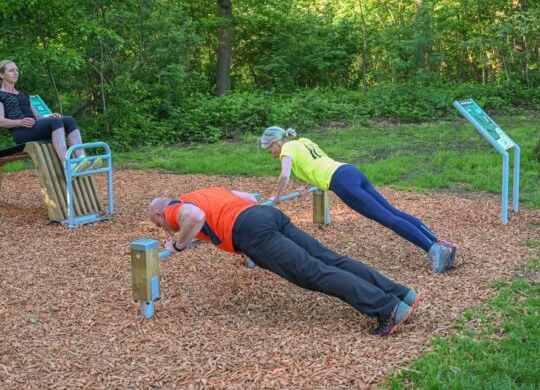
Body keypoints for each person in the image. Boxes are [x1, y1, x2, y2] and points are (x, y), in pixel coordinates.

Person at [149, 186, 422, 336]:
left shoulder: (173, 210)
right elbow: (248, 196)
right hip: (266, 216)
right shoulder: (201, 192)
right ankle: (401, 294)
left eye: (159, 224)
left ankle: (387, 308)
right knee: (330, 260)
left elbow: (194, 218)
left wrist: (178, 244)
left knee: (314, 272)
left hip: (251, 231)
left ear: (160, 213)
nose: (164, 228)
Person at [259, 126, 458, 273]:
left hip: (341, 182)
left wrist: (276, 197)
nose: (272, 155)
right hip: (349, 171)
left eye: (270, 151)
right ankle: (440, 243)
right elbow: (317, 164)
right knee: (393, 212)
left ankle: (433, 249)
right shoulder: (303, 141)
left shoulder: (287, 149)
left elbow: (284, 175)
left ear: (276, 143)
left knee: (386, 218)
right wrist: (310, 184)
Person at [0, 60, 101, 172]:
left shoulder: (23, 93)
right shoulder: (1, 95)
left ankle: (82, 159)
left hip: (34, 127)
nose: (16, 73)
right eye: (11, 70)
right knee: (56, 122)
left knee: (68, 120)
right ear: (2, 75)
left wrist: (49, 116)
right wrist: (19, 122)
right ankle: (67, 165)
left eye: (17, 70)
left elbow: (37, 116)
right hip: (20, 132)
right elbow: (1, 121)